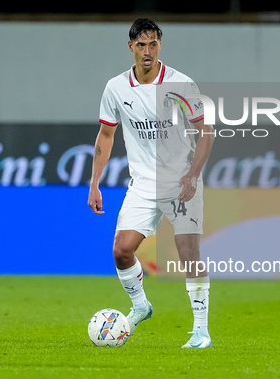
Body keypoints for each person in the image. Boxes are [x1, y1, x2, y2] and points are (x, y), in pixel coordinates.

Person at [88, 18, 214, 348]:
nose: (147, 51)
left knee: (188, 252)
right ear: (130, 47)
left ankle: (200, 330)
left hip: (181, 182)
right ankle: (141, 306)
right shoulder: (116, 87)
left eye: (153, 44)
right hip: (143, 184)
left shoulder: (181, 84)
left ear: (160, 45)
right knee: (121, 250)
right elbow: (105, 135)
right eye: (141, 45)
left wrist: (193, 175)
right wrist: (94, 183)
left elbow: (206, 132)